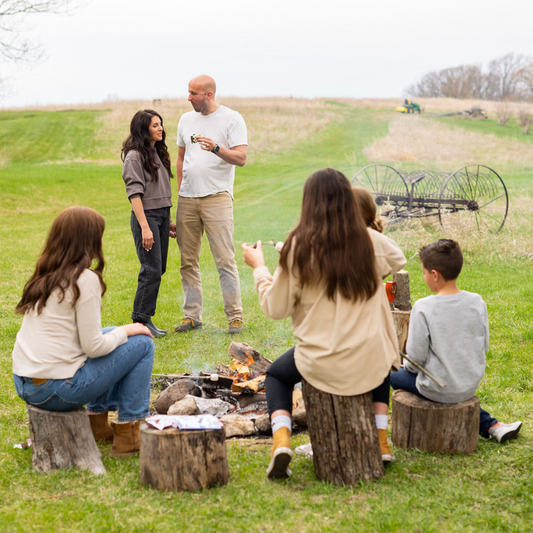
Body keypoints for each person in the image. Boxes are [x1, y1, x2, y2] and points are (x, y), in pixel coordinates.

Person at [241, 168, 406, 479]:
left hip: (321, 364)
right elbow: (396, 259)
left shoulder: (299, 246)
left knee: (276, 375)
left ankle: (281, 440)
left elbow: (275, 308)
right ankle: (381, 439)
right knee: (381, 355)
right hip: (370, 362)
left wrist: (260, 268)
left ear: (309, 203)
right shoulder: (371, 240)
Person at [12, 206, 155, 457]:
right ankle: (129, 435)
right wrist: (130, 330)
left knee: (114, 332)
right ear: (89, 241)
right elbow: (93, 347)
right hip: (56, 390)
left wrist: (121, 331)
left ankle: (96, 423)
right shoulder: (84, 279)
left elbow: (89, 339)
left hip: (25, 383)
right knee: (142, 342)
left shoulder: (45, 275)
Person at [390, 239, 522, 444]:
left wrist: (403, 364)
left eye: (423, 272)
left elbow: (415, 360)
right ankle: (492, 425)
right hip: (469, 384)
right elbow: (484, 346)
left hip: (437, 388)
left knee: (392, 373)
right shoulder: (477, 301)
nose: (423, 277)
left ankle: (491, 425)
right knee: (446, 385)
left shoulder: (423, 307)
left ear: (434, 274)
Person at [174, 74, 248, 335]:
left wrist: (217, 148)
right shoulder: (185, 120)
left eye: (194, 93)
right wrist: (180, 191)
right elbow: (181, 159)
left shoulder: (231, 118)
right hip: (188, 199)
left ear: (208, 94)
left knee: (224, 259)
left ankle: (235, 317)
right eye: (188, 92)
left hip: (217, 197)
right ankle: (192, 316)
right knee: (187, 260)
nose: (188, 97)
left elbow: (241, 157)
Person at [122, 109, 173, 338]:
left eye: (160, 124)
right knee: (151, 269)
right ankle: (140, 321)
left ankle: (146, 319)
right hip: (147, 217)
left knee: (158, 268)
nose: (160, 128)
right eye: (155, 125)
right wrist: (145, 227)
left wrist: (168, 219)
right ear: (144, 129)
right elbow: (134, 194)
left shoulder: (158, 152)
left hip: (162, 215)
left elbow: (160, 189)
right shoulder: (135, 156)